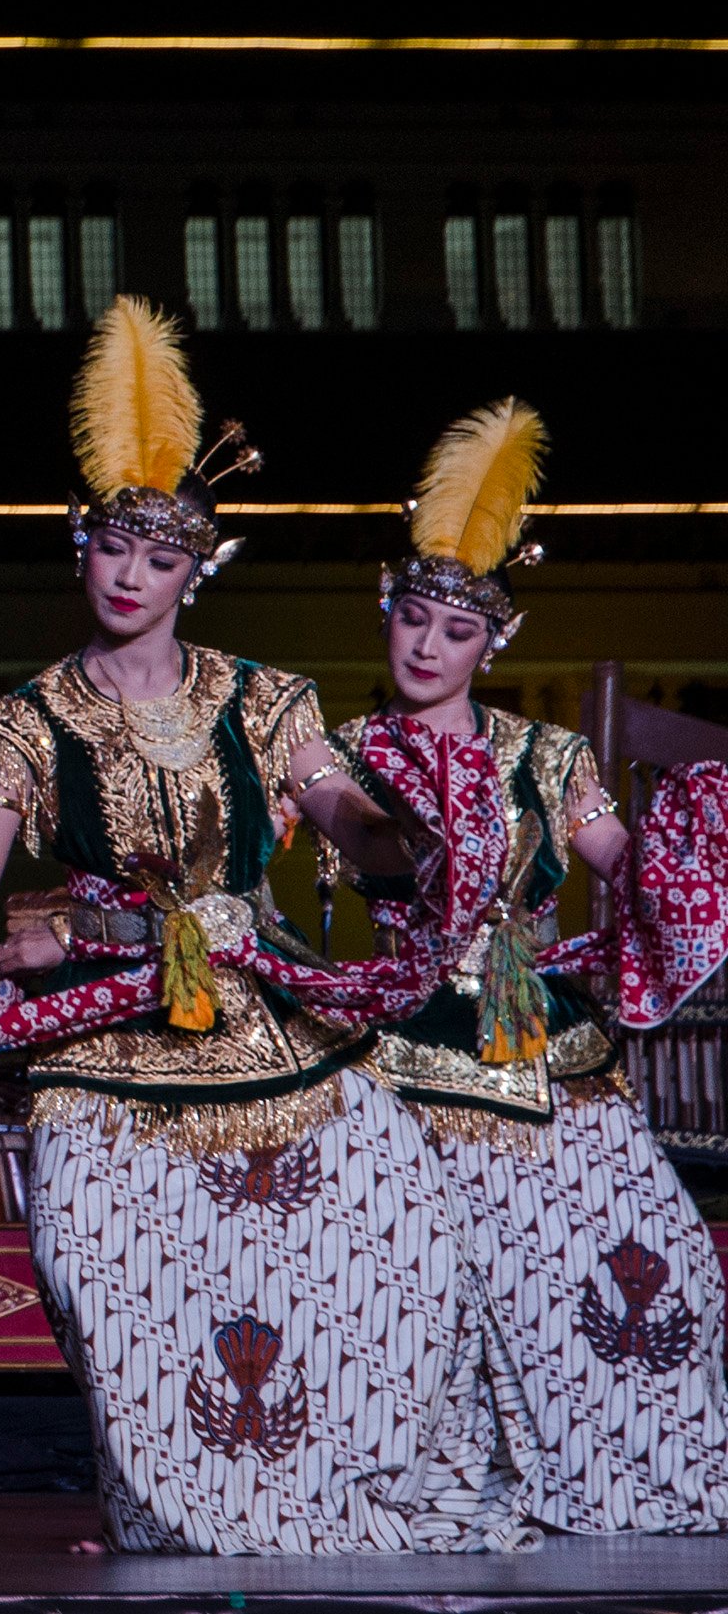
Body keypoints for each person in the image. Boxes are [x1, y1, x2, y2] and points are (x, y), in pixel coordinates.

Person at [0, 298, 517, 1553]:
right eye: (113, 553)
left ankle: (334, 1493)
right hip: (102, 1044)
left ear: (196, 571)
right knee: (117, 1291)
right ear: (79, 551)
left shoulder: (266, 697)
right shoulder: (18, 725)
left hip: (265, 1018)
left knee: (397, 1248)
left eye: (160, 560)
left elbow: (345, 821)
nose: (133, 578)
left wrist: (413, 835)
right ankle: (182, 1509)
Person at [338, 402, 728, 1534]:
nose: (424, 648)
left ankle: (624, 1476)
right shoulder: (344, 755)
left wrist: (696, 839)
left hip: (551, 1046)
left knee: (653, 1263)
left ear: (488, 646)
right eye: (411, 621)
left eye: (451, 634)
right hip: (409, 1041)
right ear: (387, 615)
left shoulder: (550, 755)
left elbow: (622, 862)